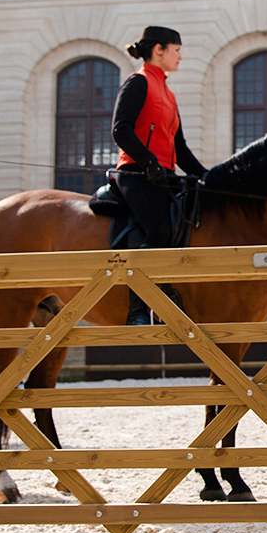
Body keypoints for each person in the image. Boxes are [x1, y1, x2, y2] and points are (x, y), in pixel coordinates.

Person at [110, 25, 209, 326]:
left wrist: (208, 175)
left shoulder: (168, 92)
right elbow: (120, 129)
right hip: (135, 173)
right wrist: (149, 161)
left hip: (162, 175)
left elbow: (179, 146)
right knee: (160, 229)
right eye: (176, 50)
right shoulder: (138, 83)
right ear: (159, 50)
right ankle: (139, 308)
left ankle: (169, 289)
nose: (180, 57)